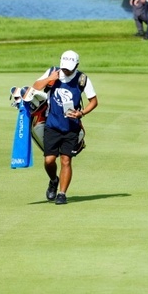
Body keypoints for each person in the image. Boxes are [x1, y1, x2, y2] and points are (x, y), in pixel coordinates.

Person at [43, 50, 98, 204]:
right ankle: (54, 180)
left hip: (72, 127)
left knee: (66, 160)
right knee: (49, 161)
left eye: (70, 67)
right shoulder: (53, 73)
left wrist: (81, 113)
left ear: (76, 65)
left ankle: (62, 193)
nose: (66, 70)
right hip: (52, 125)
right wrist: (50, 78)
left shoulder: (82, 79)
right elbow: (35, 86)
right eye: (64, 67)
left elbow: (93, 101)